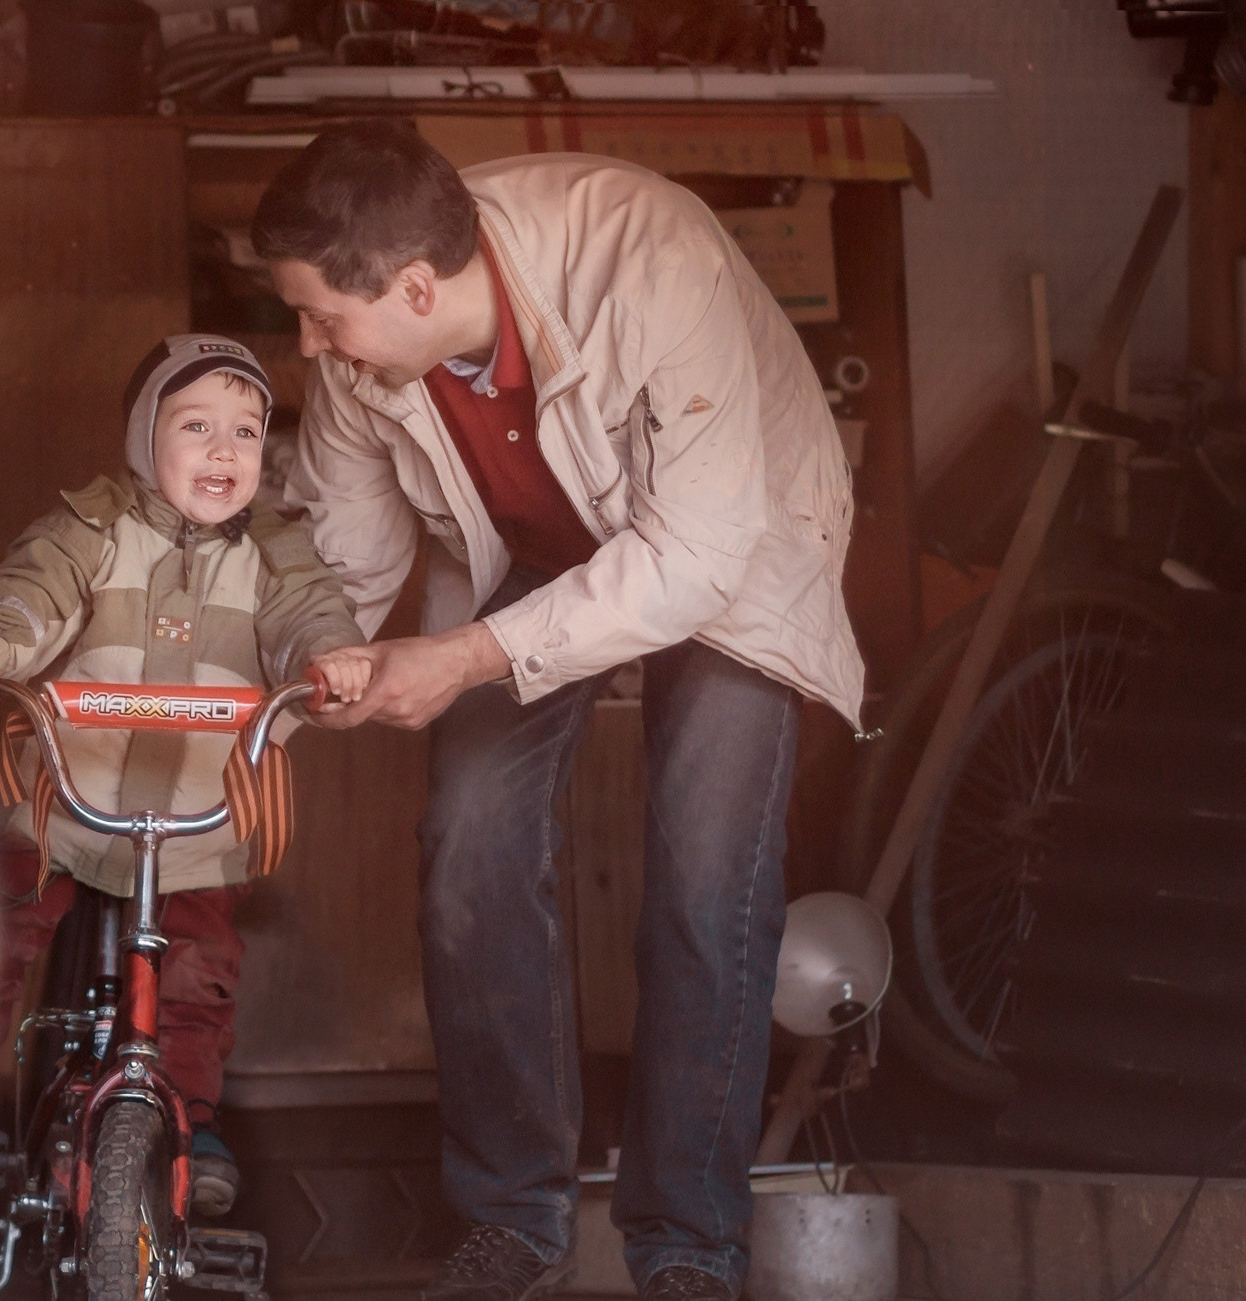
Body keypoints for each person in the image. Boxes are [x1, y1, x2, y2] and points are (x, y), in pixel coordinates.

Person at [251, 122, 865, 1301]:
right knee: (468, 838)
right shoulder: (362, 344)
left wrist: (461, 655)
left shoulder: (651, 259)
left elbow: (689, 557)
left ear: (415, 287)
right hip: (536, 549)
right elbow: (340, 559)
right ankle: (514, 1223)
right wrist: (285, 696)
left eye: (320, 316)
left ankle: (687, 1247)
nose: (307, 343)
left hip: (727, 545)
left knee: (704, 877)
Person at [0, 333, 372, 1216]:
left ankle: (189, 1115)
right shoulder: (91, 530)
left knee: (197, 970)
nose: (223, 450)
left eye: (246, 432)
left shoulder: (277, 552)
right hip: (66, 803)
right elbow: (31, 590)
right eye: (196, 426)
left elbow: (309, 613)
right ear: (143, 438)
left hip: (199, 819)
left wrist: (333, 657)